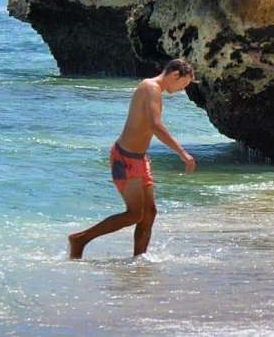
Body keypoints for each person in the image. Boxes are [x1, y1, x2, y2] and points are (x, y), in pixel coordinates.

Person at [67, 58, 196, 259]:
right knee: (135, 214)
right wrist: (182, 152)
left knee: (149, 212)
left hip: (139, 159)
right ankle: (80, 239)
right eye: (184, 84)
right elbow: (155, 125)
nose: (182, 90)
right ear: (175, 75)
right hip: (124, 159)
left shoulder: (154, 90)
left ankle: (139, 260)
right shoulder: (150, 87)